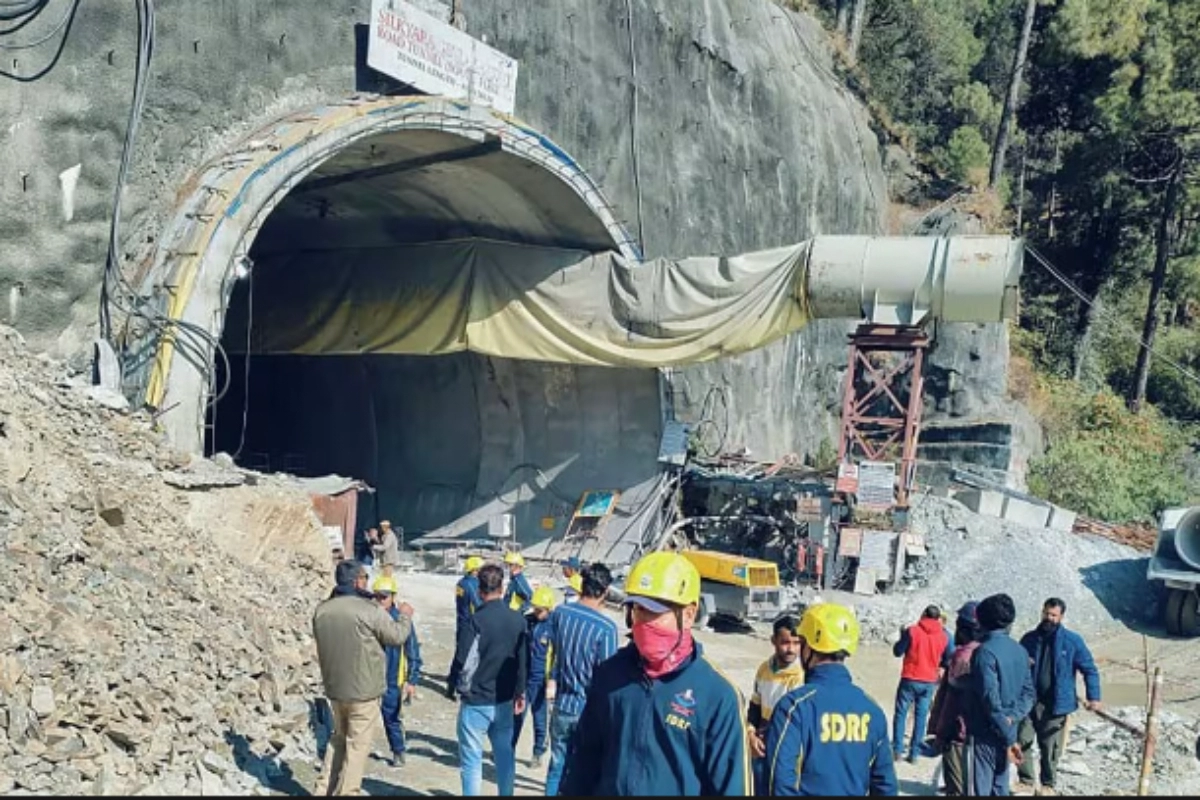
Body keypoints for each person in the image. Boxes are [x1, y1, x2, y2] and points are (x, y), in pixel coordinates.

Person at [559, 552, 752, 795]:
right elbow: (584, 763)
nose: (643, 622)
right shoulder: (610, 675)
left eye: (654, 612)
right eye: (638, 609)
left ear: (689, 615)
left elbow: (732, 788)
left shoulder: (718, 696)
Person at [765, 603, 897, 796]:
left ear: (808, 648)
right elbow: (886, 785)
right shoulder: (872, 710)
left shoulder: (794, 707)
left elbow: (779, 782)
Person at [312, 560, 414, 796]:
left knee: (337, 740)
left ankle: (322, 790)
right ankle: (348, 792)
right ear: (357, 580)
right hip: (364, 692)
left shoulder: (322, 610)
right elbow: (397, 636)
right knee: (357, 747)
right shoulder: (369, 610)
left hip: (336, 688)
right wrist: (405, 616)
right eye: (365, 578)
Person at [450, 563, 528, 796]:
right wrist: (520, 691)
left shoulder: (475, 621)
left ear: (479, 589)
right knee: (505, 756)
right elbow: (524, 661)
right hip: (504, 700)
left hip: (476, 700)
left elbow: (462, 660)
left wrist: (453, 686)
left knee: (472, 761)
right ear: (502, 587)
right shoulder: (518, 620)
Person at [544, 562, 620, 796]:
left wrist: (552, 680)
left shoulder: (561, 613)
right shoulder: (606, 628)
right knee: (584, 772)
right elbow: (607, 676)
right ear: (605, 592)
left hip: (561, 704)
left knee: (557, 766)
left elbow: (554, 653)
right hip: (588, 711)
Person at [1014, 598, 1102, 797]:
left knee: (1050, 747)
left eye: (1053, 615)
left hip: (1055, 704)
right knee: (1023, 740)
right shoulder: (1028, 639)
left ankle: (1048, 784)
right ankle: (1026, 780)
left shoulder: (1072, 641)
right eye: (1046, 613)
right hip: (1028, 702)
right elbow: (1016, 667)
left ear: (1061, 617)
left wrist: (1093, 696)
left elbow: (1089, 669)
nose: (1049, 618)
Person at [967, 593, 1035, 797]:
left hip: (985, 732)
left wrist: (1005, 727)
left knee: (980, 788)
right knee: (1000, 786)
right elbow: (1028, 694)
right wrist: (1012, 720)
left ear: (981, 621)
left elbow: (991, 701)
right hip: (1009, 729)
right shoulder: (1020, 650)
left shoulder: (984, 653)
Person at [747, 615, 806, 795]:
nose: (791, 649)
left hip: (786, 748)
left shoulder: (802, 676)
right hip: (761, 744)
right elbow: (755, 706)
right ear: (773, 641)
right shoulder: (764, 669)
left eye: (797, 643)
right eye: (785, 642)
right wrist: (750, 734)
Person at [929, 601, 983, 796]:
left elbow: (951, 702)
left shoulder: (962, 657)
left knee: (957, 788)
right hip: (978, 736)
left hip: (956, 732)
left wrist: (940, 733)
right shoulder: (986, 653)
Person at [372, 575, 423, 768]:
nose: (380, 600)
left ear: (393, 597)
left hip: (393, 679)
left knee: (391, 717)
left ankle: (398, 750)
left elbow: (413, 652)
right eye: (376, 596)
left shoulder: (401, 621)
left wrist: (412, 680)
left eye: (384, 596)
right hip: (371, 677)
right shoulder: (370, 617)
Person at [892, 604, 952, 763]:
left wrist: (901, 636)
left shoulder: (912, 631)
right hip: (929, 681)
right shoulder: (944, 636)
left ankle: (897, 750)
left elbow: (897, 651)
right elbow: (949, 658)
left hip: (910, 677)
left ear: (924, 614)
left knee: (901, 713)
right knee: (921, 716)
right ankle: (914, 754)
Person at [513, 585, 557, 768]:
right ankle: (509, 748)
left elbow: (557, 657)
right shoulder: (528, 621)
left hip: (542, 682)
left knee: (540, 719)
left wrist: (552, 680)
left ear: (548, 609)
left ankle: (538, 752)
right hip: (525, 679)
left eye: (540, 610)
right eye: (535, 609)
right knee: (517, 716)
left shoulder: (554, 627)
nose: (537, 612)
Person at [447, 555, 485, 699]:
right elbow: (478, 604)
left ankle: (452, 684)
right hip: (471, 624)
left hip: (462, 622)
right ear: (475, 570)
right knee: (466, 657)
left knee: (460, 654)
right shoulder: (473, 585)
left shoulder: (461, 583)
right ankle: (459, 686)